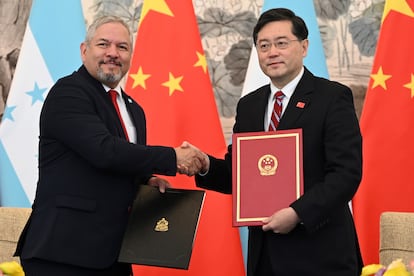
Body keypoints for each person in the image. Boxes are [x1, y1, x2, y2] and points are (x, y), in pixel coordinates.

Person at [14, 16, 203, 276]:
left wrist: (146, 180)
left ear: (130, 55)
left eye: (122, 47)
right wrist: (174, 157)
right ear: (84, 50)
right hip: (63, 253)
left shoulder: (134, 109)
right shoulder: (68, 93)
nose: (112, 53)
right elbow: (104, 151)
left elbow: (123, 162)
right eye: (104, 44)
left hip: (114, 252)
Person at [191, 8, 363, 276]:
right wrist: (204, 166)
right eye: (264, 45)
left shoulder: (331, 97)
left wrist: (297, 213)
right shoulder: (250, 105)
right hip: (266, 257)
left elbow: (345, 174)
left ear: (304, 46)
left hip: (321, 253)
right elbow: (242, 174)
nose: (272, 52)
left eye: (282, 43)